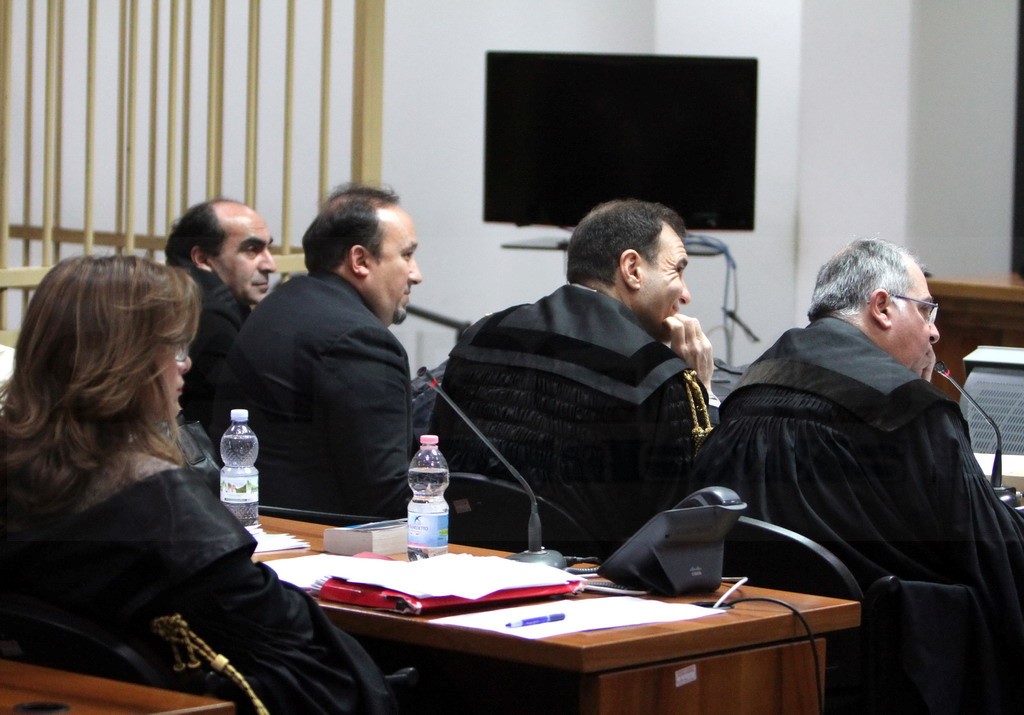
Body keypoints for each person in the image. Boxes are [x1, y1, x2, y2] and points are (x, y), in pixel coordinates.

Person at [0, 255, 397, 714]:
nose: (185, 364)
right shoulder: (158, 498)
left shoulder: (17, 470)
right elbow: (292, 639)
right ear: (126, 362)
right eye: (172, 347)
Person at [687, 238, 1024, 714]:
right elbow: (991, 552)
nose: (934, 333)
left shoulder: (746, 390)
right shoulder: (908, 409)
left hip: (766, 654)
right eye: (926, 310)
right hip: (892, 667)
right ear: (882, 307)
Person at [430, 199, 716, 552]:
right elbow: (682, 521)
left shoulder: (481, 336)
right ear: (632, 269)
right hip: (591, 578)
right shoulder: (654, 372)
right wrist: (702, 393)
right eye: (678, 270)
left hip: (464, 557)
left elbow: (435, 463)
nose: (686, 295)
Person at [212, 184, 422, 517]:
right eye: (407, 255)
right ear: (360, 260)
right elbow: (386, 499)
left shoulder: (281, 303)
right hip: (315, 535)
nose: (416, 274)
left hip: (255, 521)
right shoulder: (361, 340)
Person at [165, 198, 277, 433]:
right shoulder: (211, 315)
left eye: (269, 249)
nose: (270, 265)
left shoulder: (181, 296)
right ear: (202, 259)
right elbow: (243, 410)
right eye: (252, 250)